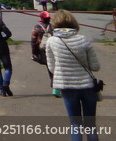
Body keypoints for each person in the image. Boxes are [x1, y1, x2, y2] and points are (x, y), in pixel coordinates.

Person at [46, 10, 101, 141]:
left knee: (75, 124)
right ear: (73, 23)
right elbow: (95, 67)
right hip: (87, 85)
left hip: (66, 86)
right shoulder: (83, 40)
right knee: (90, 124)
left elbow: (52, 67)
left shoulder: (51, 41)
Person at [31, 11, 59, 97]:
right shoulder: (54, 27)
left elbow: (33, 41)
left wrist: (34, 52)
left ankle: (55, 86)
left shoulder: (37, 27)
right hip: (54, 48)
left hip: (43, 49)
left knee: (50, 67)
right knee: (56, 66)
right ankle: (56, 86)